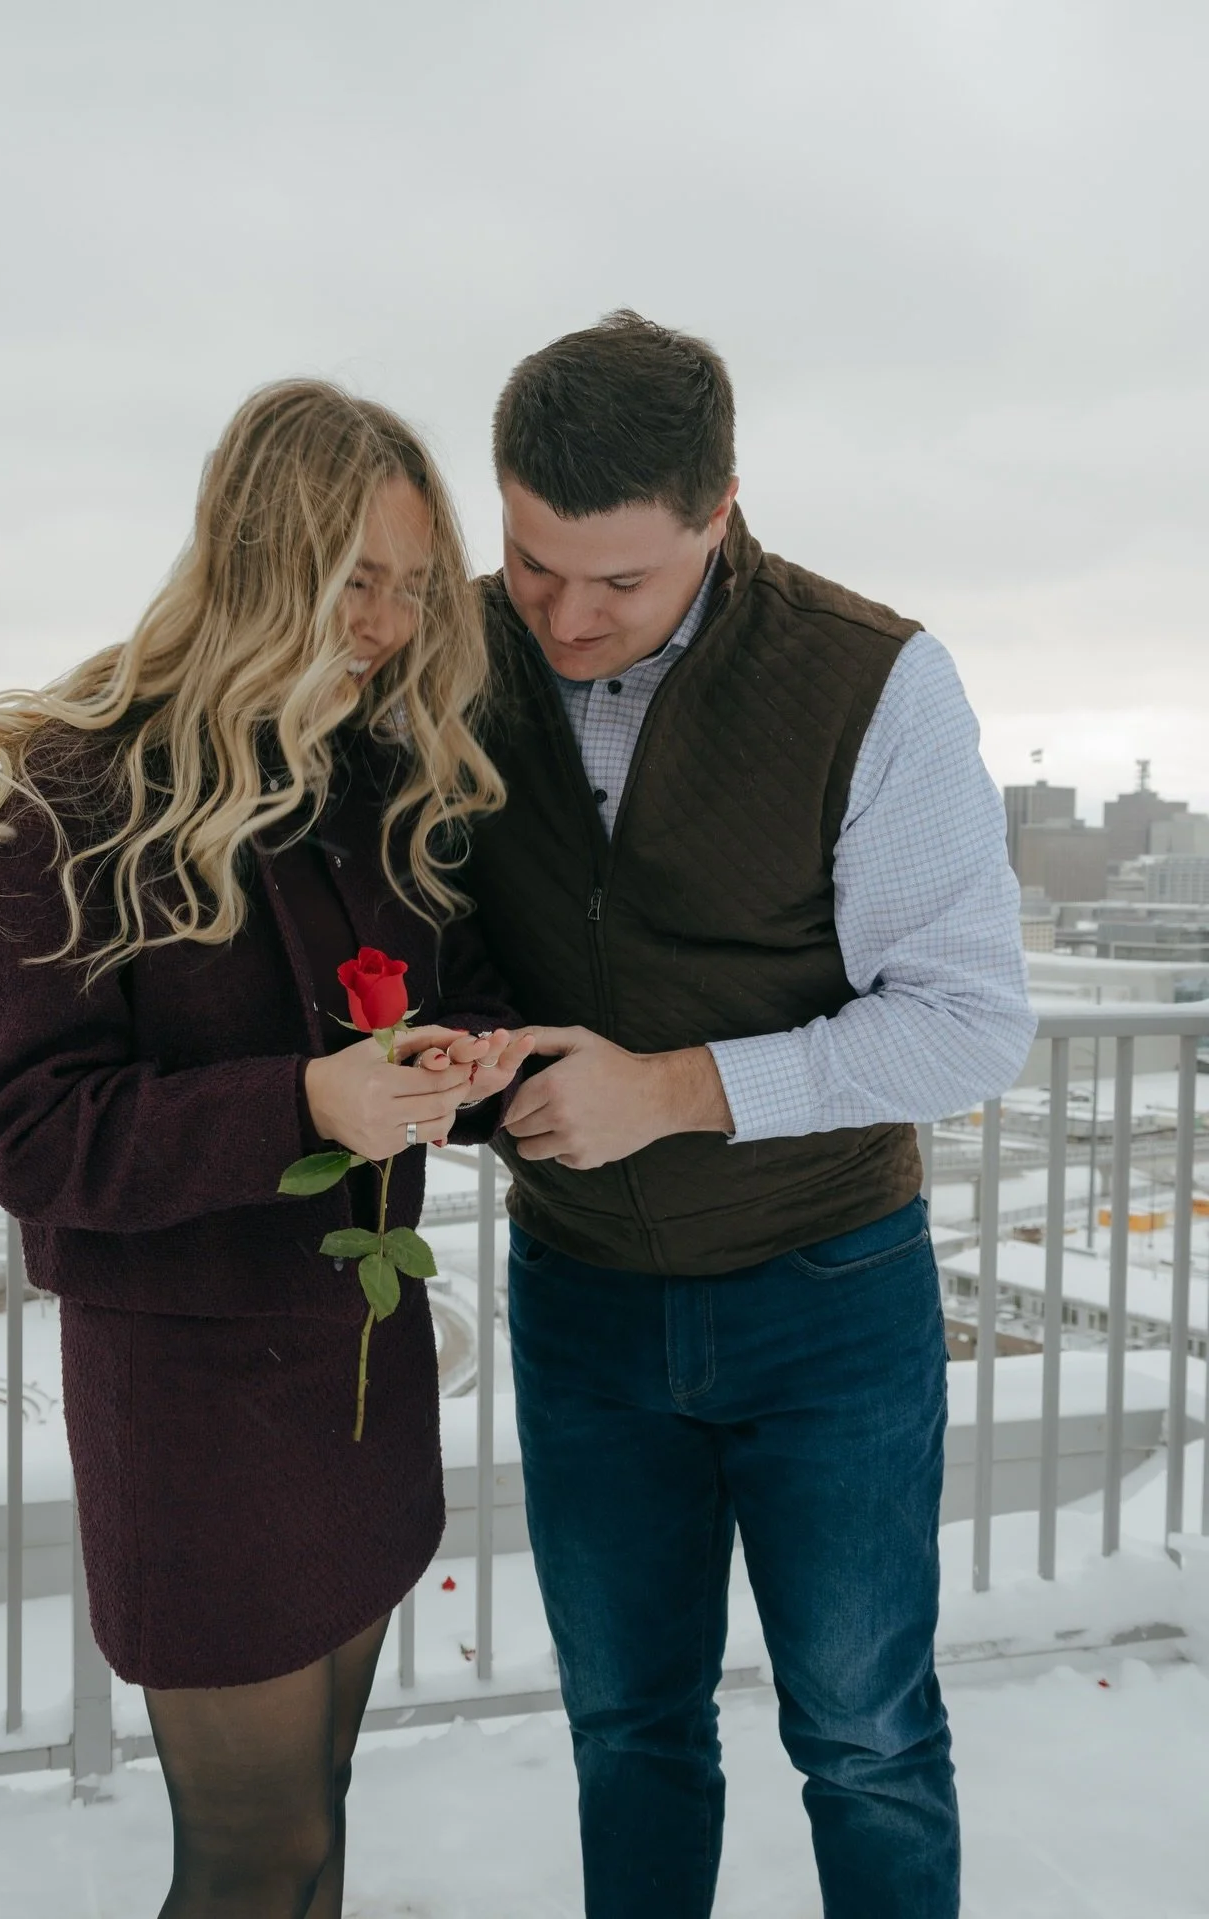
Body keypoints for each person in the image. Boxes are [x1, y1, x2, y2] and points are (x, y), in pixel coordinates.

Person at [463, 312, 1037, 1919]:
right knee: (627, 1730)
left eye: (621, 581)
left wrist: (679, 1090)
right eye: (528, 563)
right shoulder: (451, 652)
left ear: (721, 510)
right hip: (578, 1297)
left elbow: (971, 1021)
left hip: (828, 1295)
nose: (566, 617)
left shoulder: (877, 678)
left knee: (863, 1737)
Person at [0, 380, 530, 1919]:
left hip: (356, 1381)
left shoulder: (372, 784)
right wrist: (305, 1105)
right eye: (358, 580)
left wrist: (461, 1056)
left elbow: (438, 994)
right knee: (253, 1854)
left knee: (319, 1822)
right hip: (196, 1408)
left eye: (413, 586)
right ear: (261, 558)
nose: (392, 622)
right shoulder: (74, 795)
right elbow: (26, 1129)